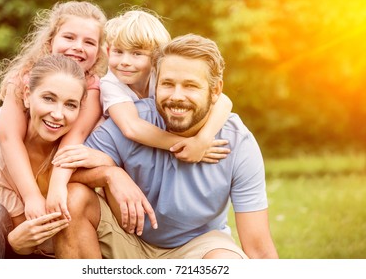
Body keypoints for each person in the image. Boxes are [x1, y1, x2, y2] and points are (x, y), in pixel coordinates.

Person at [53, 34, 279, 259]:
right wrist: (110, 174)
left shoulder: (238, 142)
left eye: (190, 86)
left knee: (227, 263)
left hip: (198, 246)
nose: (176, 97)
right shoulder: (132, 121)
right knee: (75, 198)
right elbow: (69, 174)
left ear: (216, 90)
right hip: (126, 239)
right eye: (168, 84)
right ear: (156, 83)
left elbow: (259, 250)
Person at [0, 0, 107, 259]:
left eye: (89, 42)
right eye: (69, 37)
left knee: (29, 232)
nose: (78, 47)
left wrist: (56, 186)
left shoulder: (93, 89)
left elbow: (74, 139)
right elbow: (9, 138)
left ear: (99, 51)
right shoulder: (24, 76)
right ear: (51, 40)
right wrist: (32, 196)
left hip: (46, 159)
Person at [0, 54, 111, 258]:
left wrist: (111, 169)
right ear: (27, 94)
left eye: (70, 104)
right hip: (27, 254)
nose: (58, 114)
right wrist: (16, 243)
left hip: (76, 250)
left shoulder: (85, 145)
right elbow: (29, 239)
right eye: (48, 98)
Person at [97, 9, 232, 163]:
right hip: (122, 150)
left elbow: (224, 101)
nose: (125, 61)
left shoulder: (161, 75)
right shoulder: (110, 82)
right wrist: (186, 145)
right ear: (108, 51)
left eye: (137, 53)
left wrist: (202, 141)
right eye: (118, 52)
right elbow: (132, 128)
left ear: (155, 57)